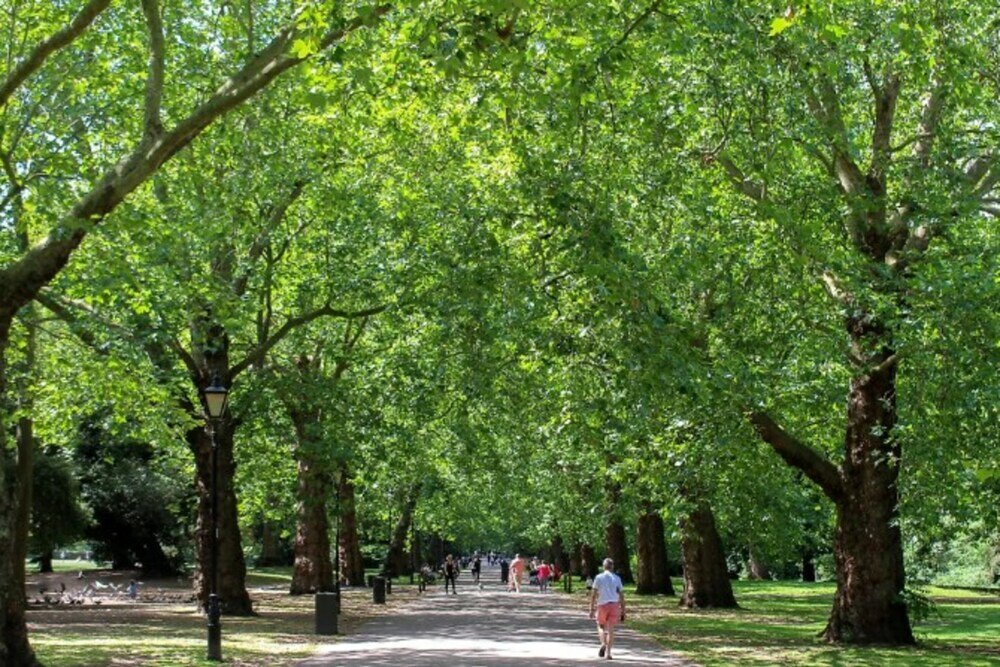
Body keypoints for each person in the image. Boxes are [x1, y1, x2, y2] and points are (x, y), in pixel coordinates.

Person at [589, 558, 625, 660]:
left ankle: (603, 643)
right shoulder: (617, 578)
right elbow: (621, 595)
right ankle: (608, 653)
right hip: (614, 605)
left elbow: (593, 594)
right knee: (611, 629)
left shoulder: (599, 577)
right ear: (612, 566)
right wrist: (623, 610)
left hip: (602, 604)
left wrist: (591, 608)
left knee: (600, 626)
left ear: (603, 566)